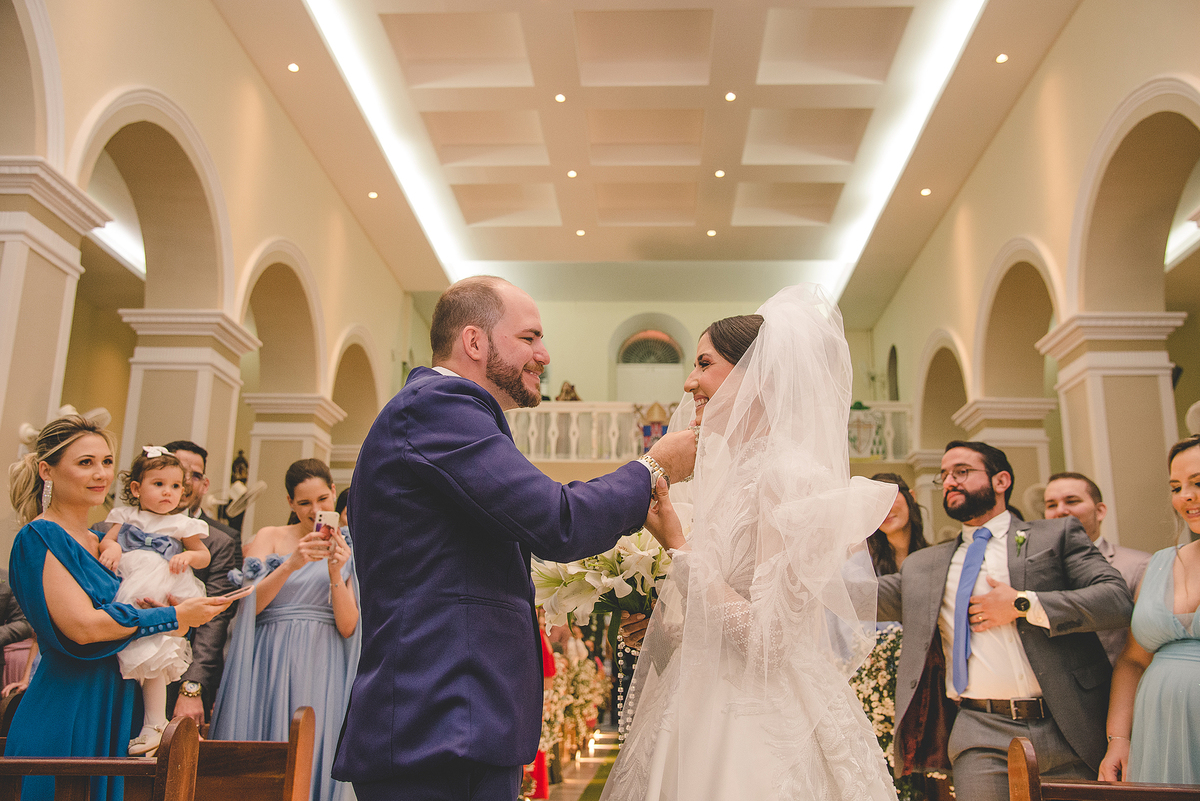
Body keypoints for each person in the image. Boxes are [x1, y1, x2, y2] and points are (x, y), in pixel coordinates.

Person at [332, 275, 696, 801]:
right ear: (474, 341)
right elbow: (557, 520)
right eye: (529, 337)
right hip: (434, 723)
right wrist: (651, 468)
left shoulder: (449, 413)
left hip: (460, 720)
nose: (544, 355)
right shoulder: (437, 406)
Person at [603, 285, 900, 801]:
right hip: (698, 701)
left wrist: (678, 546)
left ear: (757, 375)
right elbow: (723, 617)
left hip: (759, 724)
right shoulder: (728, 478)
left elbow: (768, 642)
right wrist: (662, 627)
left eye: (704, 364)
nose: (690, 382)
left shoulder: (788, 478)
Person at [877, 441, 1133, 801]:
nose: (949, 481)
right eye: (944, 475)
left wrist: (1023, 604)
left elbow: (1115, 600)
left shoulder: (1055, 536)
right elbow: (857, 596)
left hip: (1068, 721)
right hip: (980, 729)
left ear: (1001, 481)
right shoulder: (924, 565)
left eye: (962, 471)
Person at [5, 416, 238, 801]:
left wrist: (171, 613)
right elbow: (84, 628)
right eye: (86, 463)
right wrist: (170, 617)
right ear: (47, 470)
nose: (101, 473)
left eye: (107, 461)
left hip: (121, 702)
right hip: (71, 705)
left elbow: (134, 619)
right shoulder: (39, 536)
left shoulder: (100, 541)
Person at [211, 459, 358, 801]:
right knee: (269, 743)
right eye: (304, 502)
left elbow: (349, 625)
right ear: (290, 502)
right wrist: (292, 563)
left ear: (333, 492)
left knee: (316, 748)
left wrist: (335, 572)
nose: (315, 510)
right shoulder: (270, 536)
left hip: (323, 661)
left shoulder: (349, 546)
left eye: (322, 499)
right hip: (271, 655)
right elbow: (248, 605)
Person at [97, 446, 212, 755]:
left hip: (161, 588)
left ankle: (155, 722)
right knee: (125, 655)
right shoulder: (125, 516)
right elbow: (107, 541)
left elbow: (203, 556)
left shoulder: (181, 523)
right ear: (136, 488)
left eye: (175, 486)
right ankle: (133, 723)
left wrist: (188, 556)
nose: (168, 492)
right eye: (159, 484)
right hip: (128, 586)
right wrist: (113, 548)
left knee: (154, 658)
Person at [1098, 434, 1200, 783]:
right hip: (1158, 732)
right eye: (1176, 487)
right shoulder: (1160, 564)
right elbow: (1133, 660)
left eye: (1198, 482)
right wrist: (1119, 739)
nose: (1186, 496)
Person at [161, 440, 241, 724]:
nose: (185, 482)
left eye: (194, 475)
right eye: (177, 470)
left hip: (181, 673)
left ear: (205, 485)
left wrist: (192, 685)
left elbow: (216, 619)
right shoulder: (119, 530)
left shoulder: (221, 540)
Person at [1043, 471, 1150, 664]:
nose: (1060, 511)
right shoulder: (1037, 569)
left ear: (1100, 511)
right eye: (1051, 505)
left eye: (1072, 501)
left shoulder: (1140, 565)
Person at [867, 473, 928, 575]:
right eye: (875, 503)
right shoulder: (861, 566)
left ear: (911, 496)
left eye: (889, 498)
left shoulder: (935, 557)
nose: (884, 509)